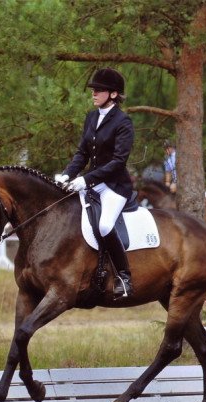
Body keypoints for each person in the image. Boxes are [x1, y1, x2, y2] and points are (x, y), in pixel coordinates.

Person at [55, 67, 135, 299]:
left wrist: (86, 179)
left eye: (99, 90)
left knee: (104, 226)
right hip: (92, 183)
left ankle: (124, 276)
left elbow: (119, 162)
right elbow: (82, 153)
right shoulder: (92, 117)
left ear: (112, 94)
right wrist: (67, 174)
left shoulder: (123, 122)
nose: (94, 93)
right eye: (93, 90)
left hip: (115, 186)